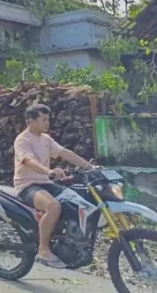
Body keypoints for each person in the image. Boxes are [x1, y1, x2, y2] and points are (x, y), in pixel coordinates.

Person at [14, 104, 97, 269]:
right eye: (43, 120)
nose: (47, 123)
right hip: (27, 185)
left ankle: (70, 242)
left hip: (46, 183)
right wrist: (49, 171)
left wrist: (90, 167)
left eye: (48, 119)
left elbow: (65, 153)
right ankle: (43, 250)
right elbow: (29, 161)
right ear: (31, 121)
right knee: (53, 206)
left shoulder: (45, 139)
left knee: (78, 202)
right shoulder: (22, 139)